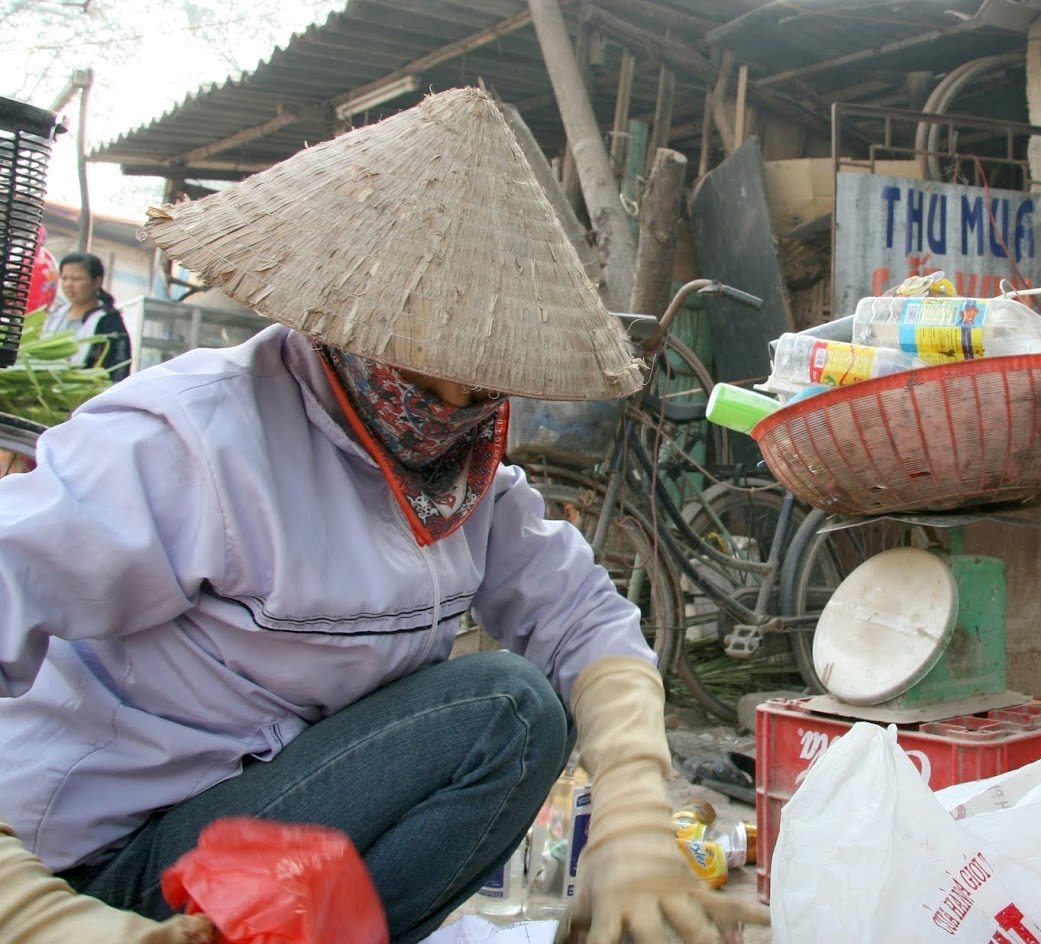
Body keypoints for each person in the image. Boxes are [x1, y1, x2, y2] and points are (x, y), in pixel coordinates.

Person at [0, 87, 767, 944]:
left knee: (514, 723)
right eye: (419, 374)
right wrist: (35, 915)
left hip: (248, 839)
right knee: (505, 702)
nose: (445, 410)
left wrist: (632, 813)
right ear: (341, 325)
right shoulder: (191, 439)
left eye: (474, 388)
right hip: (92, 861)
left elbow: (585, 619)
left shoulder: (466, 476)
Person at [46, 251, 132, 381]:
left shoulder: (108, 321)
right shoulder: (55, 315)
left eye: (76, 279)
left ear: (97, 282)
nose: (68, 284)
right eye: (64, 278)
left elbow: (118, 368)